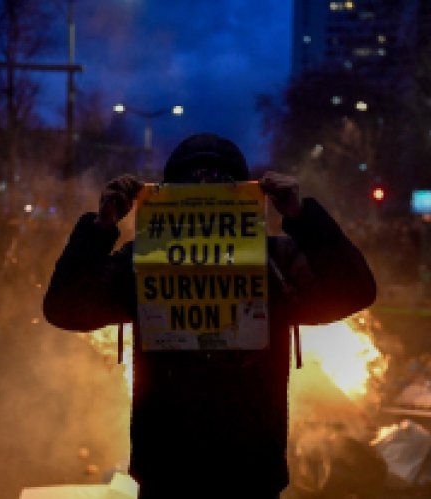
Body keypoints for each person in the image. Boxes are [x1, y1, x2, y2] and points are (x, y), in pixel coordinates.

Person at [42, 133, 376, 499]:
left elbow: (354, 290)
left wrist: (303, 216)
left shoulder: (275, 261)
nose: (204, 188)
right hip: (169, 477)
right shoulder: (145, 262)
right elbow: (65, 306)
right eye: (193, 181)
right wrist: (101, 227)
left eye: (217, 180)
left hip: (248, 476)